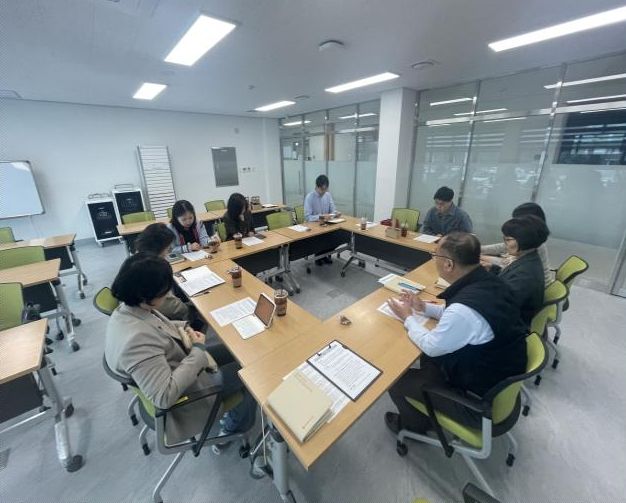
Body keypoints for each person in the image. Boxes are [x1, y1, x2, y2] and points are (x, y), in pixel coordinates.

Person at [384, 232, 527, 435]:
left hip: (478, 404)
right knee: (426, 358)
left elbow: (433, 345)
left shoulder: (464, 310)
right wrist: (423, 307)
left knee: (394, 381)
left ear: (448, 264)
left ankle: (415, 427)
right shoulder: (488, 281)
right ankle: (427, 400)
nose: (434, 259)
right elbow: (459, 314)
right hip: (495, 375)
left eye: (435, 255)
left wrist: (407, 317)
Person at [104, 254, 255, 444]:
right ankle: (234, 428)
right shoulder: (136, 342)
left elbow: (157, 324)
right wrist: (198, 349)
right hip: (188, 397)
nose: (168, 295)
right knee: (252, 375)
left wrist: (182, 327)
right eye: (165, 291)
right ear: (146, 295)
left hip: (180, 360)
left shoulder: (127, 309)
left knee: (238, 351)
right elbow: (164, 396)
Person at [483, 215, 549, 327]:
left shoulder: (525, 275)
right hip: (509, 315)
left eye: (508, 240)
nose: (505, 244)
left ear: (524, 241)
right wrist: (492, 268)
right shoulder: (528, 258)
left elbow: (500, 305)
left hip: (509, 325)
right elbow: (509, 279)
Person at [134, 223, 194, 322]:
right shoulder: (152, 269)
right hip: (158, 316)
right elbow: (169, 306)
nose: (168, 252)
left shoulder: (137, 257)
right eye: (168, 248)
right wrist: (190, 308)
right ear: (158, 248)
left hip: (147, 311)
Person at [481, 202, 553, 285]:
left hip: (537, 286)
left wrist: (481, 256)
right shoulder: (531, 244)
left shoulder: (533, 246)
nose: (515, 224)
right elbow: (507, 259)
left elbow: (508, 266)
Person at [304, 174, 338, 265]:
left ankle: (323, 255)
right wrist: (320, 216)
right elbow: (307, 217)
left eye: (325, 189)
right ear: (316, 186)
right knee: (323, 239)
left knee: (338, 237)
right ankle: (319, 256)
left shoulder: (327, 195)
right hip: (314, 227)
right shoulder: (309, 197)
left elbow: (333, 210)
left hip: (326, 225)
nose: (323, 192)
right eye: (322, 189)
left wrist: (335, 213)